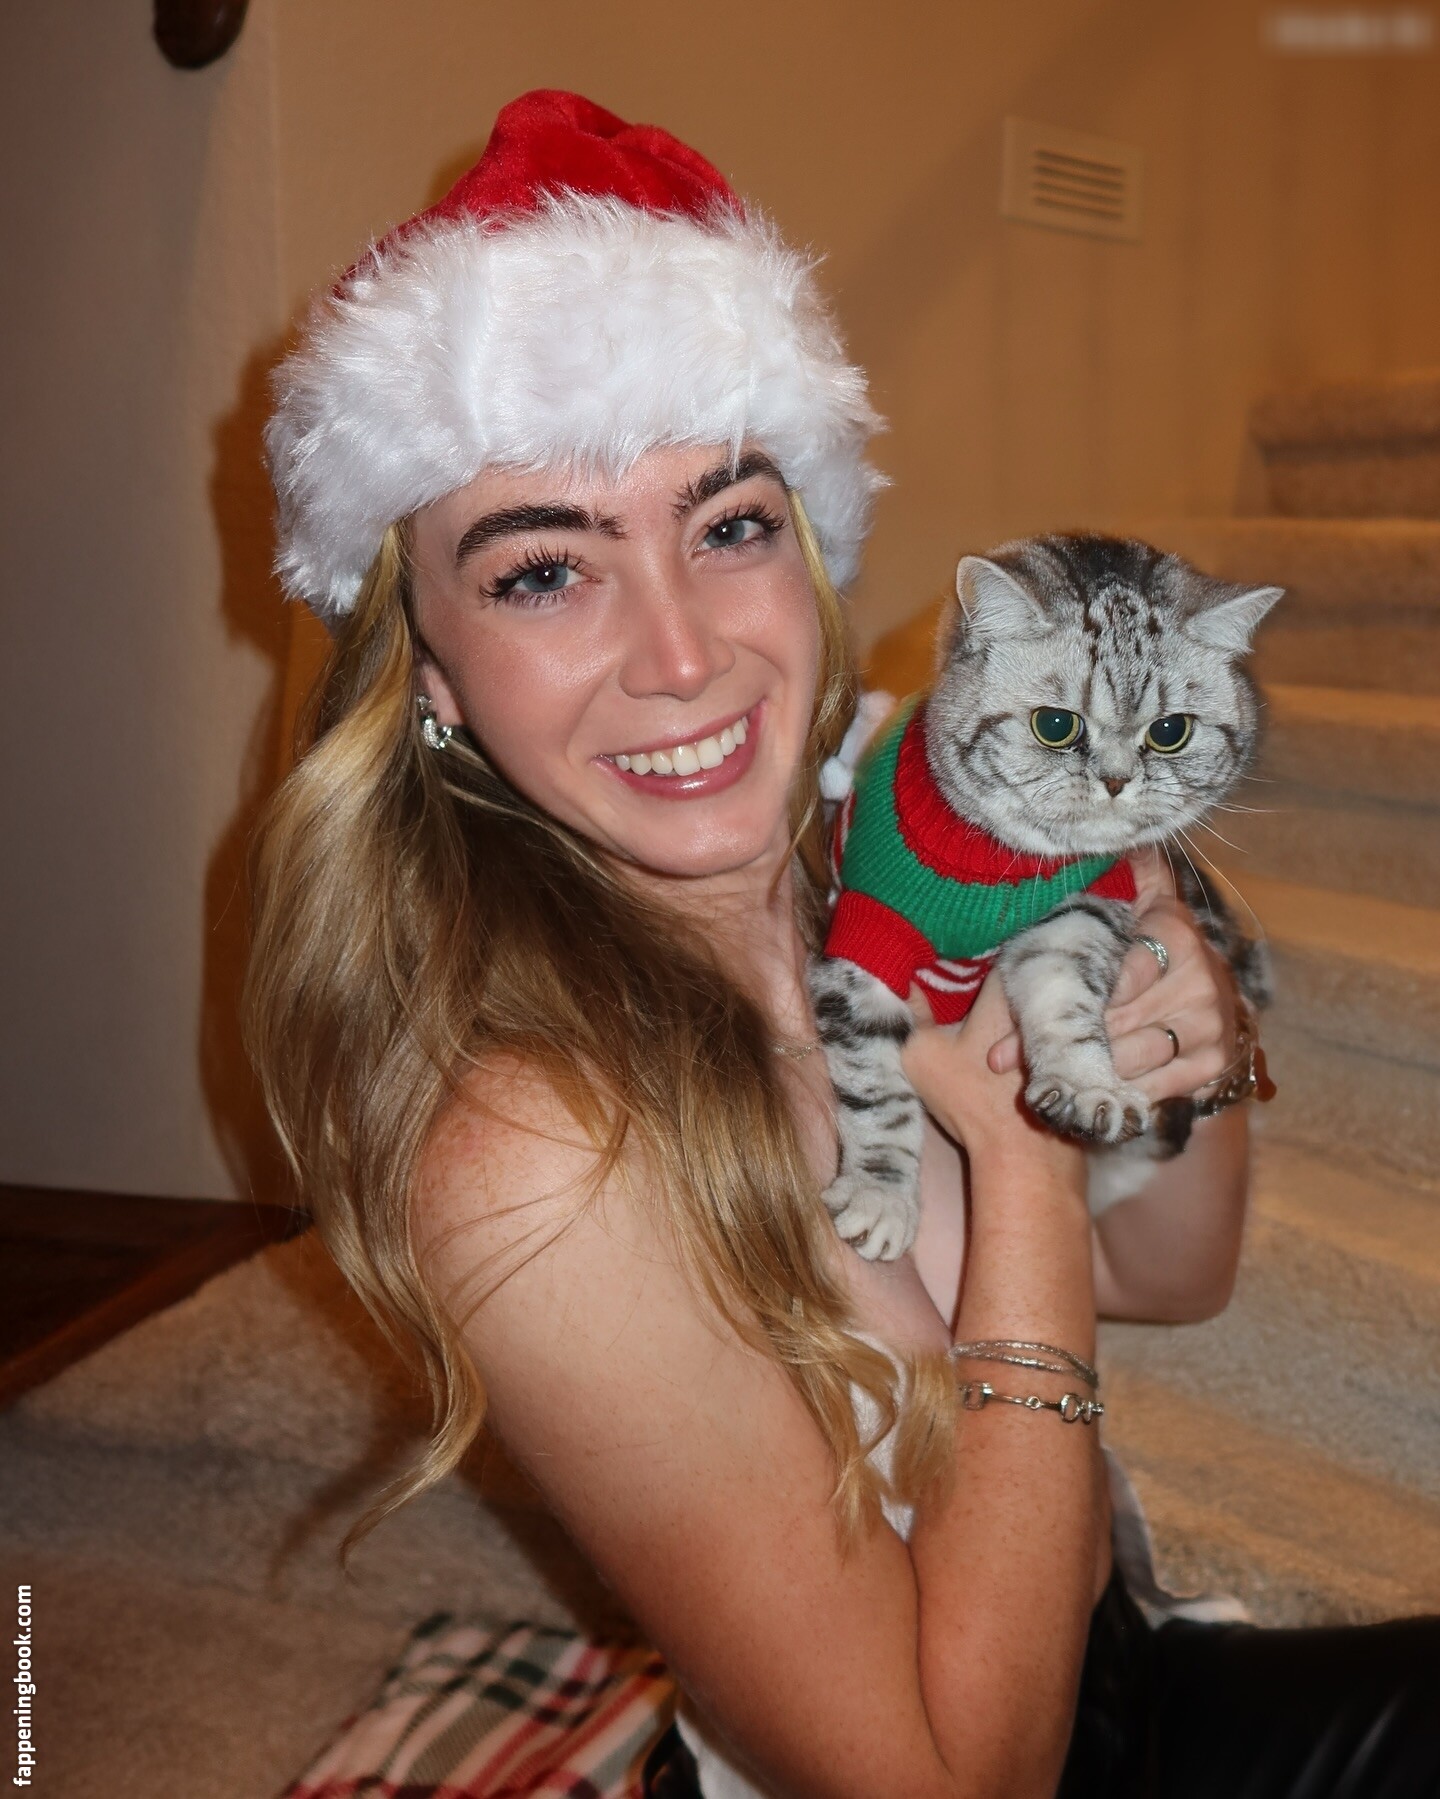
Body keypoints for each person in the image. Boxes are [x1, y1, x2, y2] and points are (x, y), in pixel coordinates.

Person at [247, 89, 1440, 1799]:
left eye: (726, 526)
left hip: (1119, 1651)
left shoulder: (874, 855)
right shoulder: (536, 1159)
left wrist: (1179, 1027)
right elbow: (963, 1780)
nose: (681, 656)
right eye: (543, 573)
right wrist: (1024, 1157)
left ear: (806, 555)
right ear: (428, 675)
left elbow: (1177, 1276)